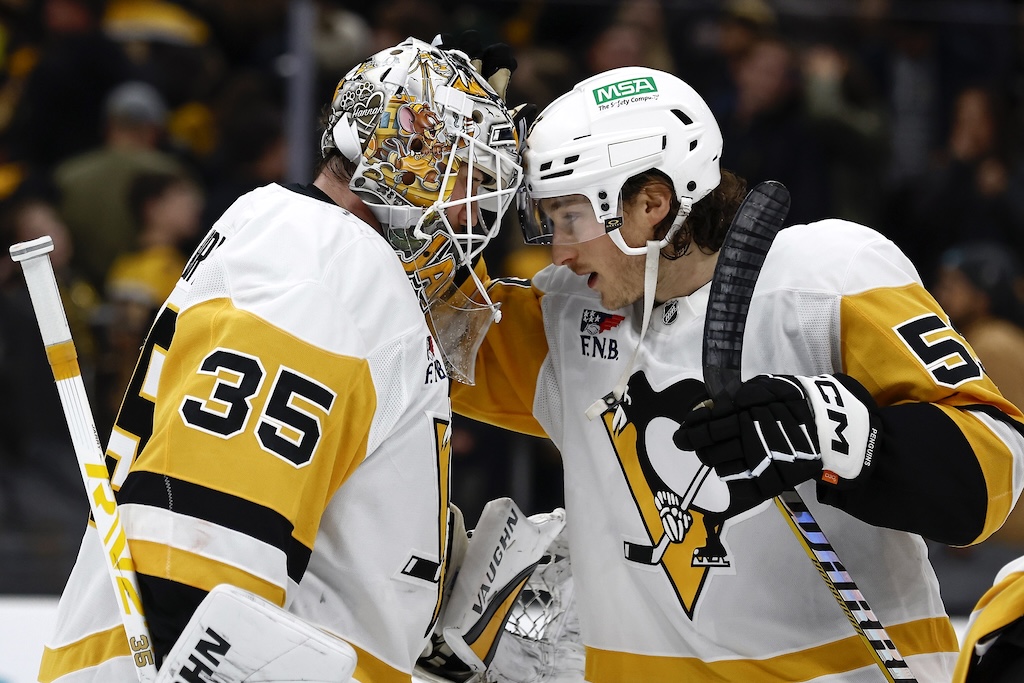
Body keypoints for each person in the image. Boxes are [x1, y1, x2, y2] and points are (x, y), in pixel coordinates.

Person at [451, 65, 1024, 681]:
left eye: (569, 219)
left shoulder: (827, 278)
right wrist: (415, 183)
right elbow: (412, 329)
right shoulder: (567, 314)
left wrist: (842, 432)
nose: (557, 250)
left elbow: (997, 468)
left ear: (651, 203)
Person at [38, 36, 521, 682]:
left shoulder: (317, 250)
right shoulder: (323, 263)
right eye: (472, 179)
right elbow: (200, 563)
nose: (479, 215)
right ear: (408, 159)